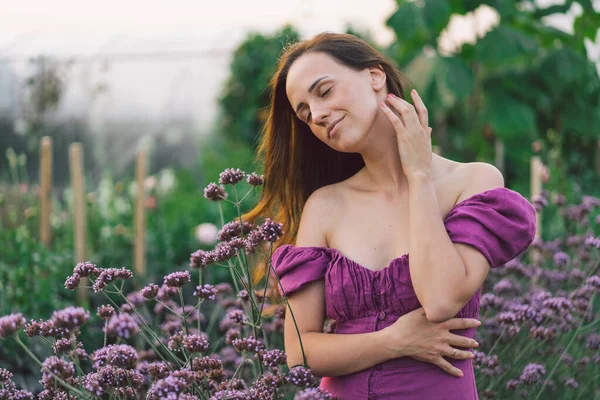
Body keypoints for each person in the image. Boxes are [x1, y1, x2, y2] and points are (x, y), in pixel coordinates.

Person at [244, 32, 536, 399]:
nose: (316, 115)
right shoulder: (324, 206)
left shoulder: (473, 181)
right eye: (305, 114)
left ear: (375, 76)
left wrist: (418, 176)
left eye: (324, 92)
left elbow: (442, 300)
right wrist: (393, 341)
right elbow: (300, 352)